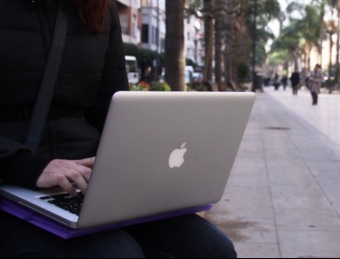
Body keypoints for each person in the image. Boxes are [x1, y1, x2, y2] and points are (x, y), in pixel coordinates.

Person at [0, 0, 237, 258]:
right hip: (10, 179)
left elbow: (112, 111)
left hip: (86, 182)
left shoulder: (99, 7)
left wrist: (152, 175)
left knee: (212, 249)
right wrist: (23, 166)